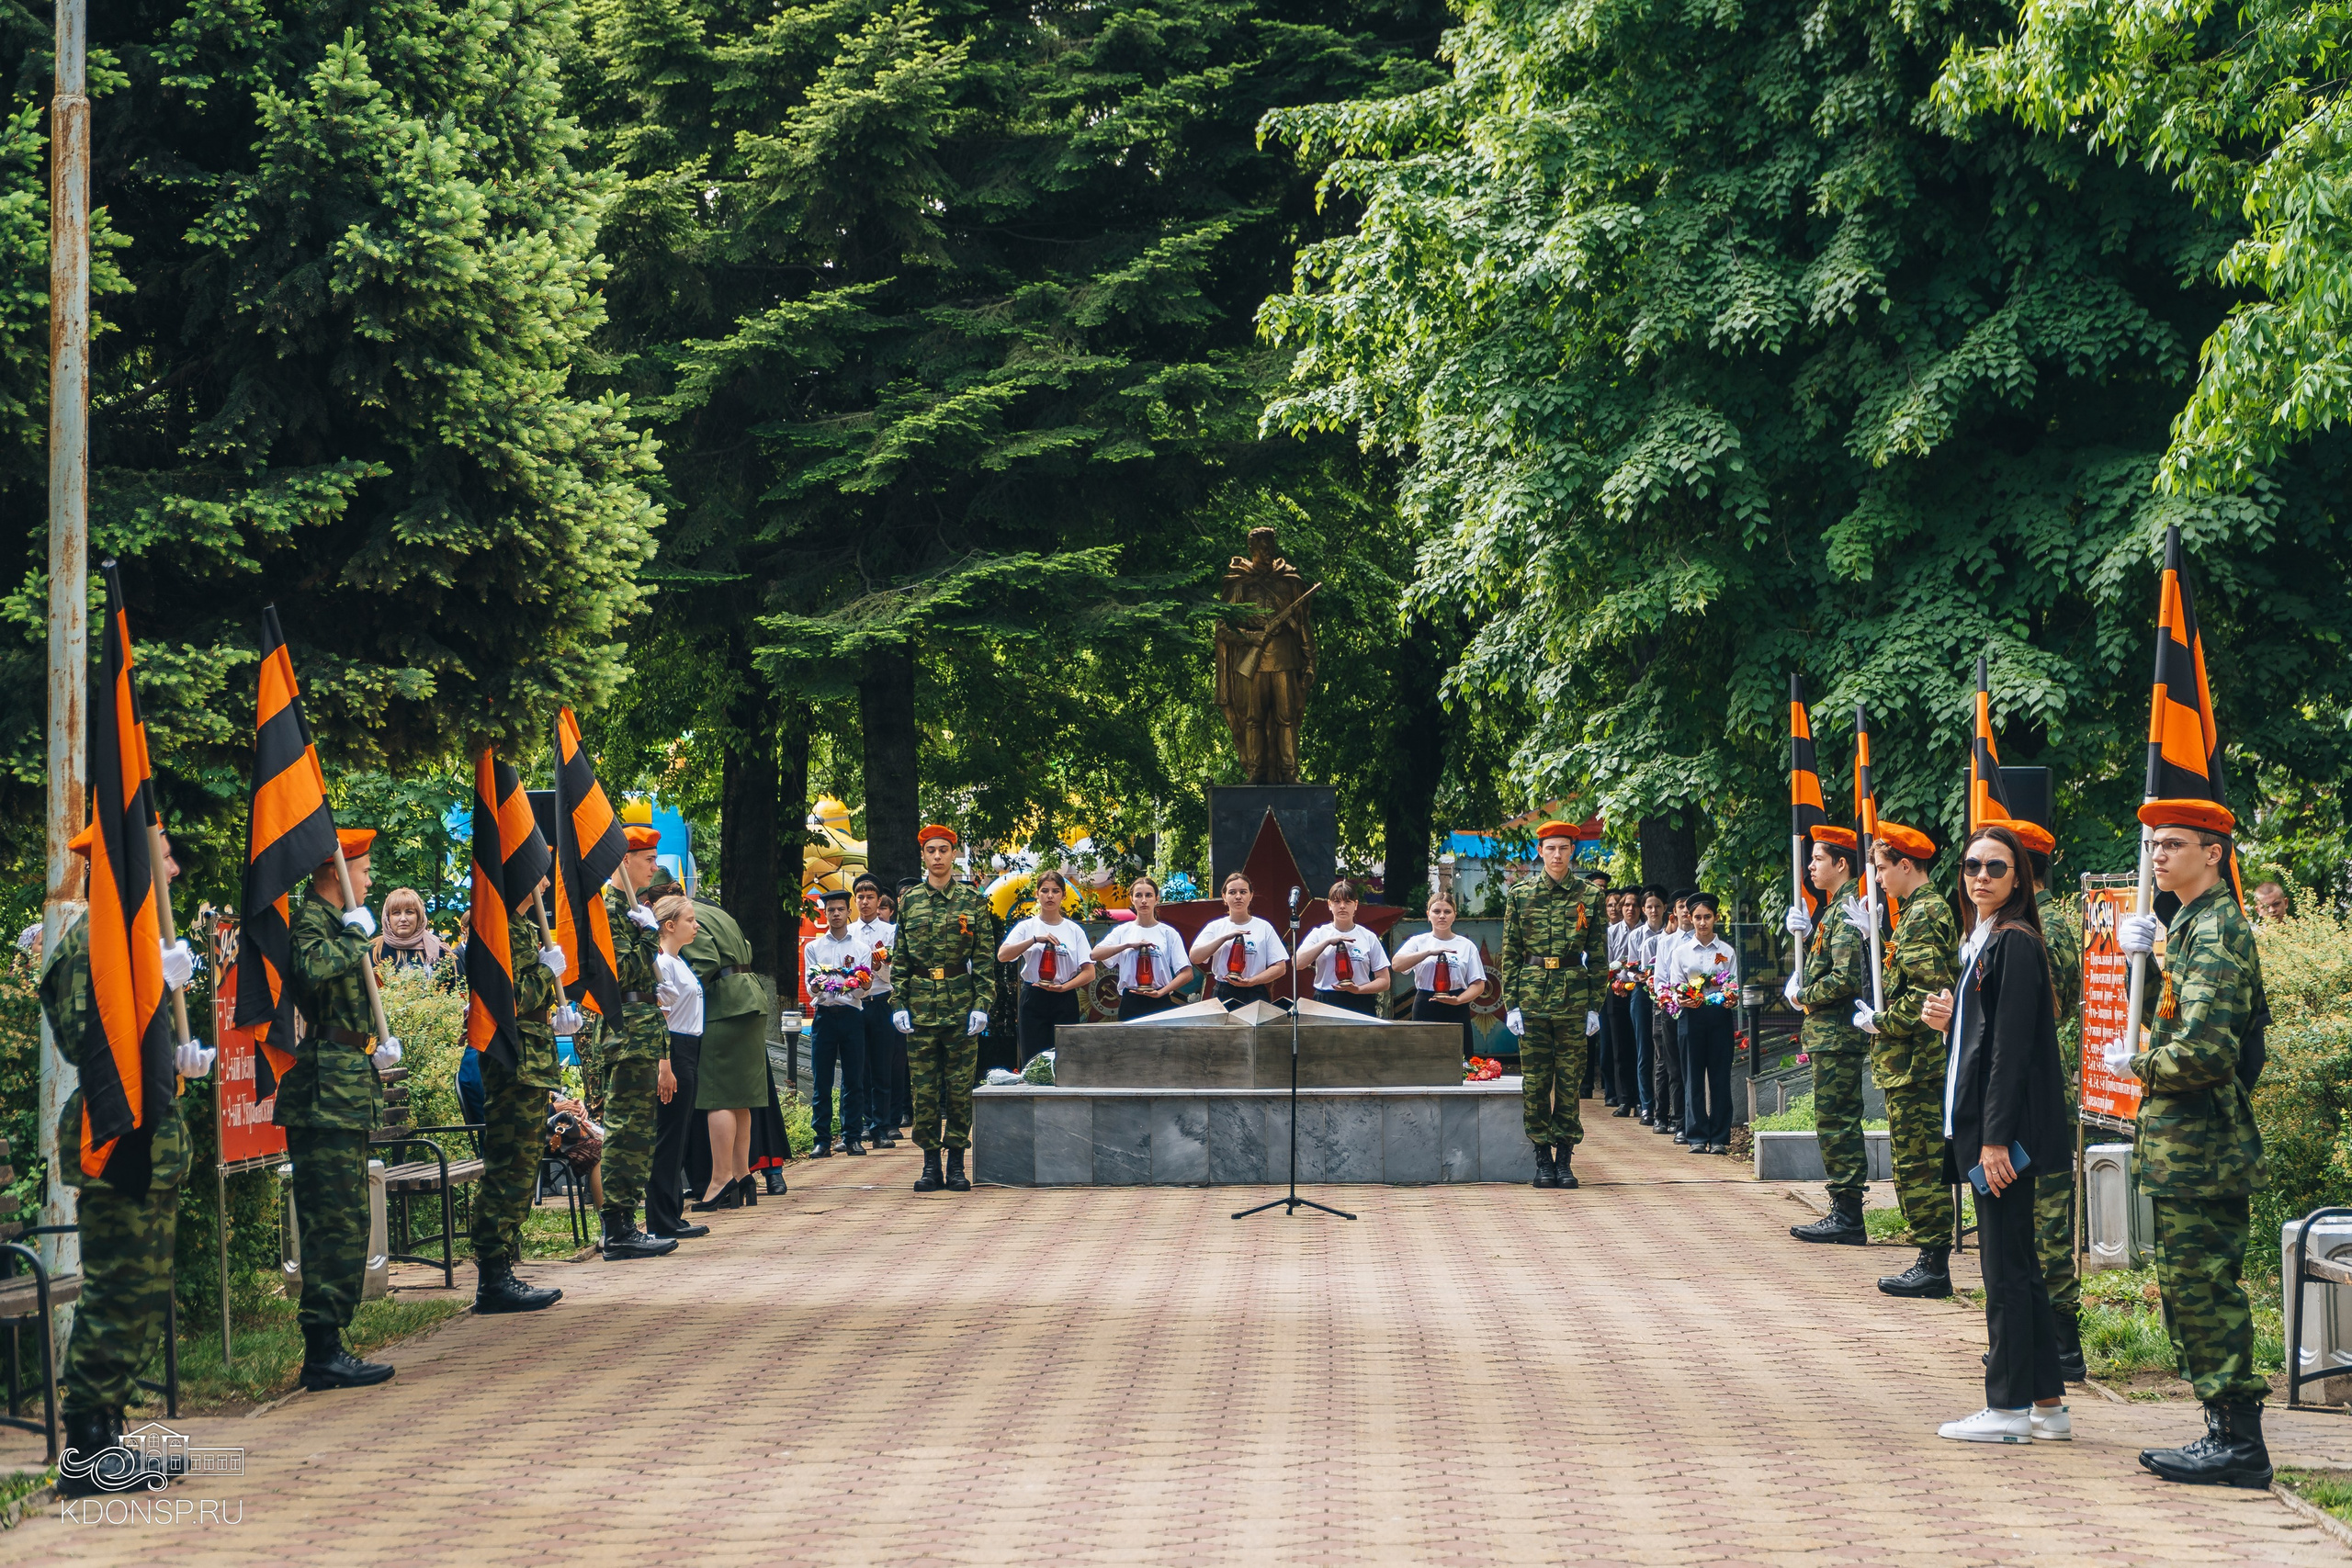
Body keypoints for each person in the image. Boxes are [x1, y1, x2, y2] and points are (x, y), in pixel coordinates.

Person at [2111, 800, 2273, 1487]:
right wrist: (2136, 965)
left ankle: (2239, 1443)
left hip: (2204, 1149)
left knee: (2206, 1291)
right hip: (2184, 1148)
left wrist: (2140, 1065)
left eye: (2175, 843)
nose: (2159, 855)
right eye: (2155, 844)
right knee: (2187, 1291)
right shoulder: (2190, 926)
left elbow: (2205, 1052)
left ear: (2214, 853)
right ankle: (2220, 1430)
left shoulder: (2217, 931)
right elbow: (2170, 1019)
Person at [47, 827, 210, 1494]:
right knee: (117, 1291)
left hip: (154, 1141)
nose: (173, 865)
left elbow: (134, 1048)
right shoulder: (87, 946)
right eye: (164, 853)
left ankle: (108, 1429)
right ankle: (86, 1444)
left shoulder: (136, 943)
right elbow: (87, 1044)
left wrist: (173, 1058)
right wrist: (145, 981)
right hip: (115, 1142)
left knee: (141, 1295)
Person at [1922, 822, 2070, 1445]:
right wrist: (1951, 1022)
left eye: (1995, 867)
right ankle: (2045, 1404)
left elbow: (2011, 1050)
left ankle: (2006, 1407)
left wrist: (1993, 1139)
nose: (1980, 875)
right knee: (2018, 1266)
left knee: (2004, 1268)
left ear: (2020, 879)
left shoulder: (2012, 941)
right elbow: (1986, 1038)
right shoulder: (1986, 940)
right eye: (1972, 865)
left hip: (2001, 1134)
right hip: (1992, 1127)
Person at [278, 827, 402, 1387]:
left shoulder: (338, 926)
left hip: (348, 1081)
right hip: (323, 1091)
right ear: (334, 872)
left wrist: (375, 1046)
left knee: (352, 1219)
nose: (370, 878)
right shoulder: (312, 922)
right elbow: (309, 973)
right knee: (332, 1223)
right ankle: (321, 1348)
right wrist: (355, 941)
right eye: (363, 867)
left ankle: (332, 1340)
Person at [1856, 821, 1958, 1300]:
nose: (1877, 879)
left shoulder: (1922, 913)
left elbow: (1923, 994)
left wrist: (1881, 1021)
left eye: (1880, 868)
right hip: (1912, 1064)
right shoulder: (1920, 909)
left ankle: (1933, 1263)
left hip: (1916, 1065)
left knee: (1918, 1163)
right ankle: (1929, 1257)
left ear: (1903, 865)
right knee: (1914, 1159)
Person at [471, 879, 570, 1311]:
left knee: (522, 1165)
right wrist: (549, 971)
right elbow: (506, 996)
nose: (545, 882)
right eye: (536, 871)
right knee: (510, 1165)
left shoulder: (523, 926)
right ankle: (493, 1276)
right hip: (513, 1061)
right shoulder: (501, 928)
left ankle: (502, 1269)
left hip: (530, 1058)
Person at [2010, 819, 2086, 1374]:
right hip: (2025, 1082)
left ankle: (2062, 1342)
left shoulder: (2045, 925)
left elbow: (2049, 1009)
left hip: (2044, 1084)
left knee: (2046, 1217)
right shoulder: (2022, 923)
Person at [890, 824, 996, 1193]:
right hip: (919, 1006)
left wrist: (982, 1005)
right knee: (924, 1090)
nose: (937, 856)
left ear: (954, 854)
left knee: (959, 1088)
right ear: (923, 855)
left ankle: (955, 1164)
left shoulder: (973, 902)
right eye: (931, 850)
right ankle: (929, 1164)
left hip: (960, 1005)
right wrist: (898, 1003)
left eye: (944, 850)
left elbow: (984, 961)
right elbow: (900, 959)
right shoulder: (910, 902)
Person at [1500, 822, 1605, 1190]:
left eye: (1563, 848)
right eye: (1550, 848)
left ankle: (1564, 1160)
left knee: (1570, 1082)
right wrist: (1510, 1004)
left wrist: (1595, 1005)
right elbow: (1510, 953)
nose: (1557, 855)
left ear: (1572, 851)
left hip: (1573, 999)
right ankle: (1542, 1157)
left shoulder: (1589, 896)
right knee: (1536, 1082)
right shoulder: (1520, 894)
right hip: (1531, 997)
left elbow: (1598, 958)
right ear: (1540, 851)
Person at [1784, 826, 1872, 1244]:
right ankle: (1844, 1209)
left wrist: (1802, 995)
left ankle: (1848, 1215)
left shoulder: (1847, 906)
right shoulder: (1834, 907)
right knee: (1831, 1121)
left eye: (1818, 859)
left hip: (1837, 1035)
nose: (1811, 866)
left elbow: (1845, 978)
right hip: (1828, 1035)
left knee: (1837, 1123)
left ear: (1841, 863)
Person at [596, 825, 679, 1259]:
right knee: (627, 1132)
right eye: (647, 859)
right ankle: (617, 1228)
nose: (654, 866)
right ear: (623, 861)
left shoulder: (631, 908)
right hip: (626, 1031)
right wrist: (650, 935)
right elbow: (621, 972)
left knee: (640, 1133)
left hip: (641, 1028)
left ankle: (627, 1222)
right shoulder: (611, 911)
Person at [999, 869, 1097, 1064]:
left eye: (1055, 891)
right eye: (1044, 891)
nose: (1050, 896)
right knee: (1034, 1060)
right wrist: (1034, 940)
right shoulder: (1026, 927)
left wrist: (1064, 988)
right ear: (1037, 894)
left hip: (1064, 996)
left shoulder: (1073, 929)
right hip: (1034, 997)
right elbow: (1003, 955)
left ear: (1063, 895)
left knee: (1066, 1059)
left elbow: (1089, 972)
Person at [1667, 892, 1737, 1153]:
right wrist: (1680, 998)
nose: (1702, 922)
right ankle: (1696, 1135)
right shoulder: (1681, 952)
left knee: (1720, 1077)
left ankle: (1719, 1136)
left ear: (1715, 918)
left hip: (1719, 1017)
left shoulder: (1726, 951)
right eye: (1697, 917)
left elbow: (1734, 984)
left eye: (1707, 917)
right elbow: (1675, 985)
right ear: (1690, 918)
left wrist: (1732, 998)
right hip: (1691, 1017)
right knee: (1692, 1077)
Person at [806, 887, 870, 1158]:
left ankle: (853, 1137)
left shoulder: (861, 949)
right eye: (830, 910)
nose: (835, 914)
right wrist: (822, 985)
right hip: (824, 1017)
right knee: (821, 1080)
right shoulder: (814, 947)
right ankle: (821, 1139)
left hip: (852, 1016)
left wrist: (857, 984)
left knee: (854, 1079)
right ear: (825, 912)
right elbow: (812, 988)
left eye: (840, 909)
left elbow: (863, 990)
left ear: (848, 912)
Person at [1392, 890, 1485, 1057]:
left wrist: (1458, 1000)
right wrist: (1428, 953)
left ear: (1455, 915)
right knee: (1424, 1057)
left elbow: (1478, 984)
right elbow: (1397, 964)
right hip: (1426, 1002)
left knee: (1460, 1060)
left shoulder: (1466, 945)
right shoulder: (1418, 942)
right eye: (1436, 911)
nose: (1442, 916)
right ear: (1428, 915)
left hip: (1456, 1004)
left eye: (1447, 912)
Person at [850, 874, 903, 1147]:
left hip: (882, 1001)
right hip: (856, 1004)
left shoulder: (891, 932)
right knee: (859, 1067)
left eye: (871, 897)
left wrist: (880, 965)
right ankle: (861, 1124)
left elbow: (896, 974)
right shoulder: (849, 932)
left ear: (879, 900)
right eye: (860, 897)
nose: (866, 902)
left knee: (883, 1066)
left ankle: (882, 1127)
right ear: (855, 900)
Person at [1092, 877, 1193, 1019]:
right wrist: (1128, 945)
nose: (1144, 900)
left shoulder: (1168, 933)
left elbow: (1187, 973)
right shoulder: (1123, 931)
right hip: (1130, 1000)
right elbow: (1095, 954)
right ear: (1132, 899)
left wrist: (1162, 992)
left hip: (1160, 999)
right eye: (1139, 895)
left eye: (1149, 895)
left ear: (1157, 899)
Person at [1188, 872, 1290, 1008]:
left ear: (1251, 896)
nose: (1238, 897)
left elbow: (1280, 967)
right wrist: (1224, 938)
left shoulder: (1264, 927)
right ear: (1224, 897)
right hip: (1224, 991)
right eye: (1232, 892)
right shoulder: (1215, 926)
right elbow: (1195, 957)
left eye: (1243, 892)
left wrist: (1252, 981)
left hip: (1255, 991)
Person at [1295, 879, 1391, 1015]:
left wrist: (1358, 989)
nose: (1342, 906)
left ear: (1356, 905)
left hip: (1360, 1001)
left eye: (1347, 902)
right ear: (1329, 904)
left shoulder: (1368, 936)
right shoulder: (1319, 933)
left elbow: (1384, 981)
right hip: (1326, 1000)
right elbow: (1297, 963)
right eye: (1336, 901)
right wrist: (1326, 942)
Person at [1630, 886, 1667, 1125]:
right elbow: (1629, 968)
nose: (1653, 910)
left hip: (1664, 994)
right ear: (1643, 910)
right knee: (1644, 1051)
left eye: (1657, 906)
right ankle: (1646, 1105)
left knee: (1664, 1052)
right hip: (1643, 992)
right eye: (1649, 907)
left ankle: (1665, 1104)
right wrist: (1638, 976)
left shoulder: (1670, 935)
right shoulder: (1636, 936)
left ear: (1664, 909)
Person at [373, 887, 446, 971]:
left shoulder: (438, 950)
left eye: (409, 912)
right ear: (387, 918)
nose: (403, 919)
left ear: (419, 917)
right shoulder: (374, 951)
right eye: (396, 913)